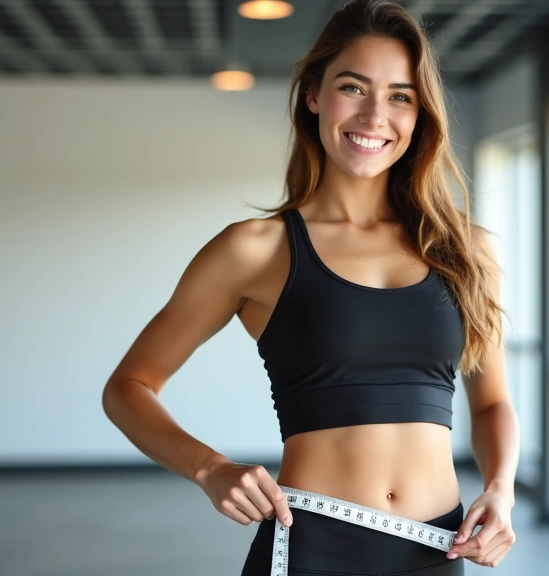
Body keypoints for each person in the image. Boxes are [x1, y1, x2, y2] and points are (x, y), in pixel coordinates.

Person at [101, 0, 519, 574]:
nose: (376, 115)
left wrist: (501, 488)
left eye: (400, 95)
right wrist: (209, 468)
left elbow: (492, 401)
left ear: (420, 114)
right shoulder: (255, 249)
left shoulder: (467, 250)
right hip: (310, 550)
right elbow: (128, 386)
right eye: (354, 87)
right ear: (314, 96)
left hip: (437, 549)